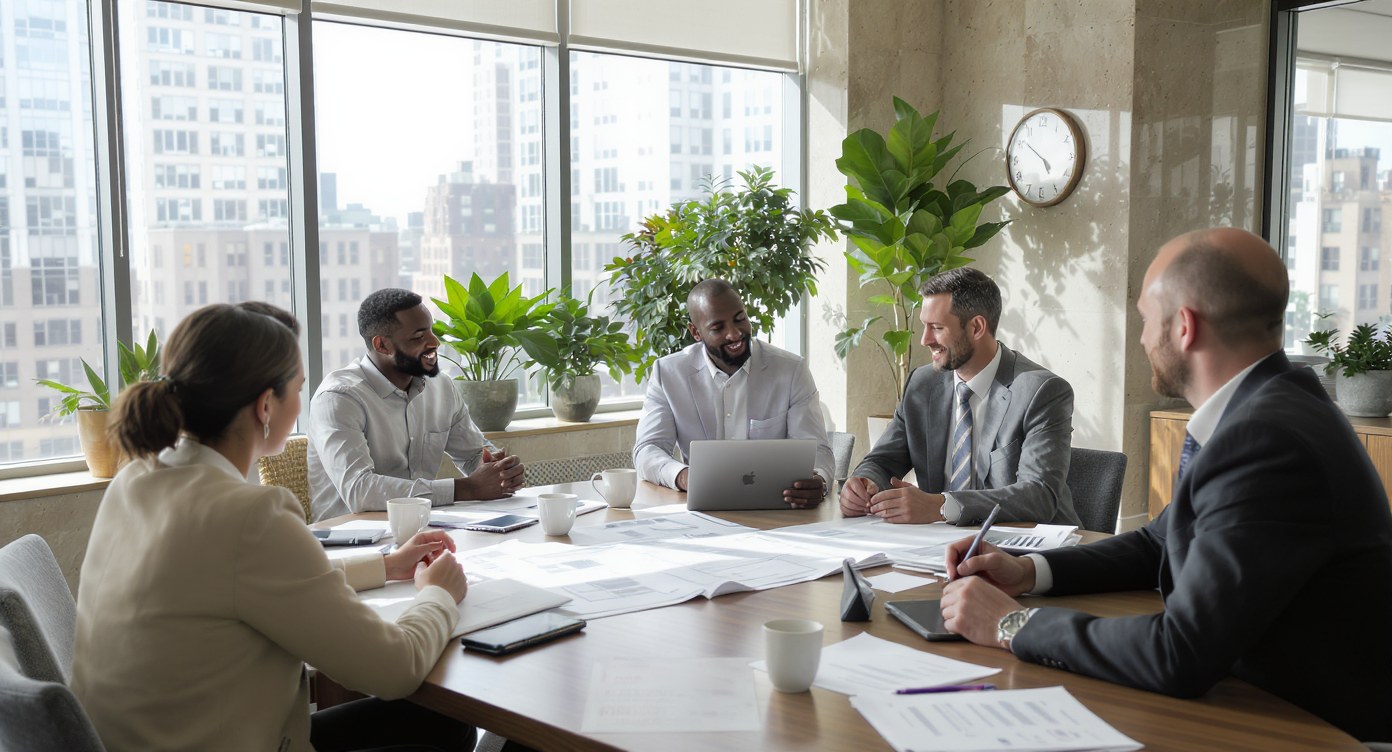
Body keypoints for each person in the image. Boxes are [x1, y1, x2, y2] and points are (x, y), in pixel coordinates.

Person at [938, 228, 1392, 742]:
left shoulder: (1267, 439)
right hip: (1258, 699)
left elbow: (1181, 652)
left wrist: (1013, 625)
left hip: (1307, 730)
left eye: (1144, 320)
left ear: (1184, 327)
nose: (1139, 338)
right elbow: (1161, 539)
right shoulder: (1264, 409)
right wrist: (1027, 570)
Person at [72, 304, 475, 752]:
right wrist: (438, 593)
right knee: (445, 724)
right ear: (266, 405)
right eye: (299, 389)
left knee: (437, 725)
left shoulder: (136, 479)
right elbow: (396, 669)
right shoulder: (248, 515)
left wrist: (387, 566)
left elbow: (239, 584)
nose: (303, 402)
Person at [842, 267, 1079, 526]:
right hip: (940, 545)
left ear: (976, 327)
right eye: (924, 326)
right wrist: (863, 484)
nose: (924, 340)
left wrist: (943, 506)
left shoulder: (1041, 391)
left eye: (937, 328)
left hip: (1030, 549)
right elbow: (883, 462)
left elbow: (1038, 496)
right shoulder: (921, 384)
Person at [308, 288, 524, 522]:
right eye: (419, 337)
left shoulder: (441, 387)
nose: (434, 342)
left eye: (431, 330)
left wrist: (498, 469)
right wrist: (468, 488)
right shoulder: (339, 397)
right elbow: (360, 490)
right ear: (382, 345)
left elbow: (473, 455)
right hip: (352, 541)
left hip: (426, 527)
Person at [633, 279, 835, 507]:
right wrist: (684, 476)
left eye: (740, 319)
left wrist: (820, 480)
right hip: (700, 510)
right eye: (718, 328)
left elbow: (817, 448)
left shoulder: (790, 370)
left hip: (779, 510)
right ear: (696, 333)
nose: (735, 334)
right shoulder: (668, 374)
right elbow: (648, 450)